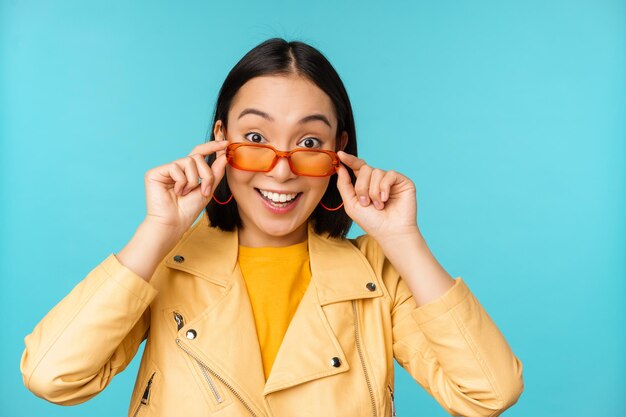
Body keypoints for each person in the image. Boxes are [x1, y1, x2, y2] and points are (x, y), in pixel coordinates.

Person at [20, 38, 524, 417]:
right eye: (255, 136)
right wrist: (158, 230)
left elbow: (489, 391)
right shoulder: (166, 261)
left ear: (337, 153)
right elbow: (53, 376)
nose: (280, 170)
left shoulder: (377, 271)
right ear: (221, 138)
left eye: (308, 143)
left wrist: (404, 241)